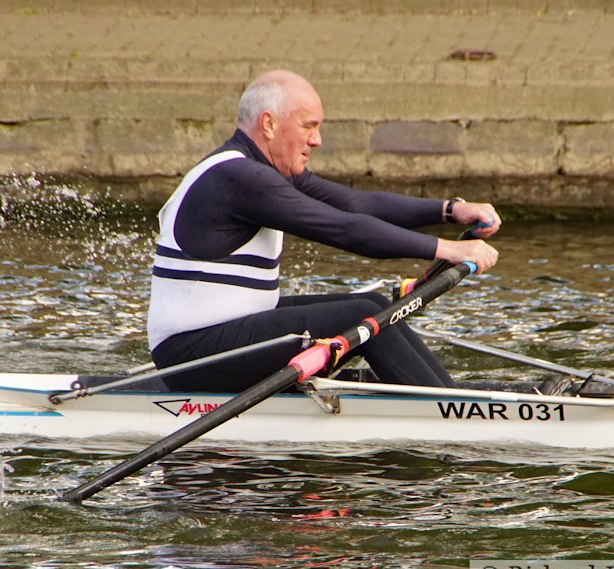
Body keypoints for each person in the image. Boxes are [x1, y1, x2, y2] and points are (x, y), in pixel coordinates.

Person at [147, 70, 500, 393]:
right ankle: (448, 413)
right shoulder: (240, 178)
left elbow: (357, 205)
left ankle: (448, 398)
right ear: (269, 123)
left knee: (375, 306)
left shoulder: (261, 172)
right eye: (308, 126)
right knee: (358, 315)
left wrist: (452, 210)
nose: (317, 140)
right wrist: (449, 250)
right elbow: (345, 229)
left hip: (225, 339)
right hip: (193, 355)